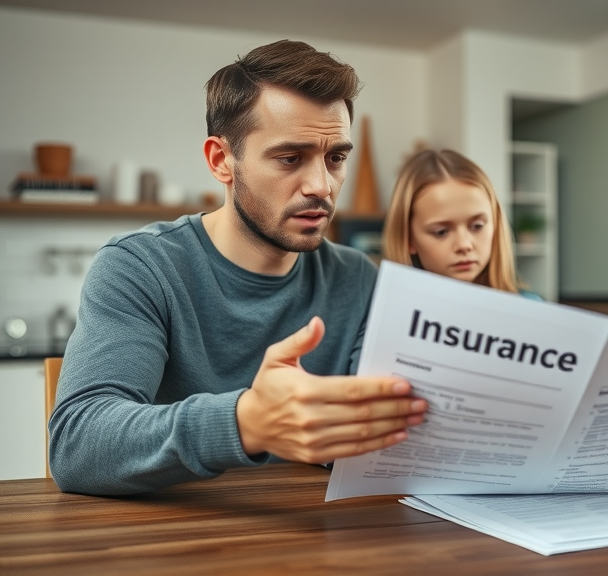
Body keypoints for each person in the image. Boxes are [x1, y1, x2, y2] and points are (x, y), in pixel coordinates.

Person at [48, 40, 428, 496]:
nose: (321, 186)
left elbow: (375, 437)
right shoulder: (140, 267)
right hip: (173, 542)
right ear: (221, 160)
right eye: (290, 158)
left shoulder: (360, 277)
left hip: (315, 540)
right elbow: (78, 443)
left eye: (336, 158)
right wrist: (245, 422)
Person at [382, 148, 539, 299]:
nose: (464, 245)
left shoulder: (531, 308)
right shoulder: (382, 311)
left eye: (477, 226)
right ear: (408, 239)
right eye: (441, 232)